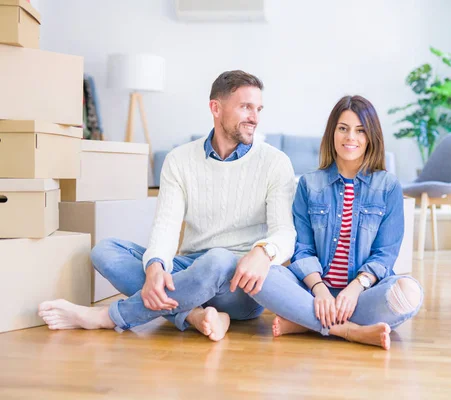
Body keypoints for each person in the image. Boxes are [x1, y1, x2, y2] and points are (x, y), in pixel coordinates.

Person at [38, 70, 297, 341]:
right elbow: (166, 225)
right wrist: (156, 265)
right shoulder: (180, 160)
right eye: (245, 107)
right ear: (215, 108)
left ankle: (108, 317)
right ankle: (194, 315)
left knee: (218, 258)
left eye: (258, 109)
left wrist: (264, 252)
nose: (254, 118)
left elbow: (285, 233)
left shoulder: (275, 163)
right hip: (189, 268)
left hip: (239, 283)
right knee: (105, 251)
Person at [251, 95, 424, 350]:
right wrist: (320, 290)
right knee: (260, 275)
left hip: (363, 294)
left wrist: (354, 289)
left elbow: (385, 254)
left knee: (409, 293)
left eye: (360, 131)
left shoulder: (387, 186)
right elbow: (302, 249)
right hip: (313, 292)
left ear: (371, 137)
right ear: (332, 133)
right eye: (343, 128)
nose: (350, 138)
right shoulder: (310, 184)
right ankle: (350, 331)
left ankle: (305, 323)